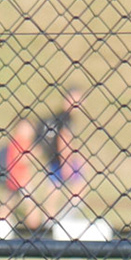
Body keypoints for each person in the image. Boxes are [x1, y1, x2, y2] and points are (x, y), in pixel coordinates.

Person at [33, 87, 90, 217]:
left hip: (54, 158)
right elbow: (64, 140)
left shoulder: (58, 116)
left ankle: (49, 218)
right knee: (79, 185)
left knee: (53, 190)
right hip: (62, 160)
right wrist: (67, 162)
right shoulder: (67, 118)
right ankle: (66, 215)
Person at [0, 116, 49, 234]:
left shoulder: (21, 141)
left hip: (17, 177)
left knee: (9, 202)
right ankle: (34, 227)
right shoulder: (19, 141)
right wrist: (35, 152)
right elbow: (22, 159)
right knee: (31, 203)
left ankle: (1, 222)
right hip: (20, 179)